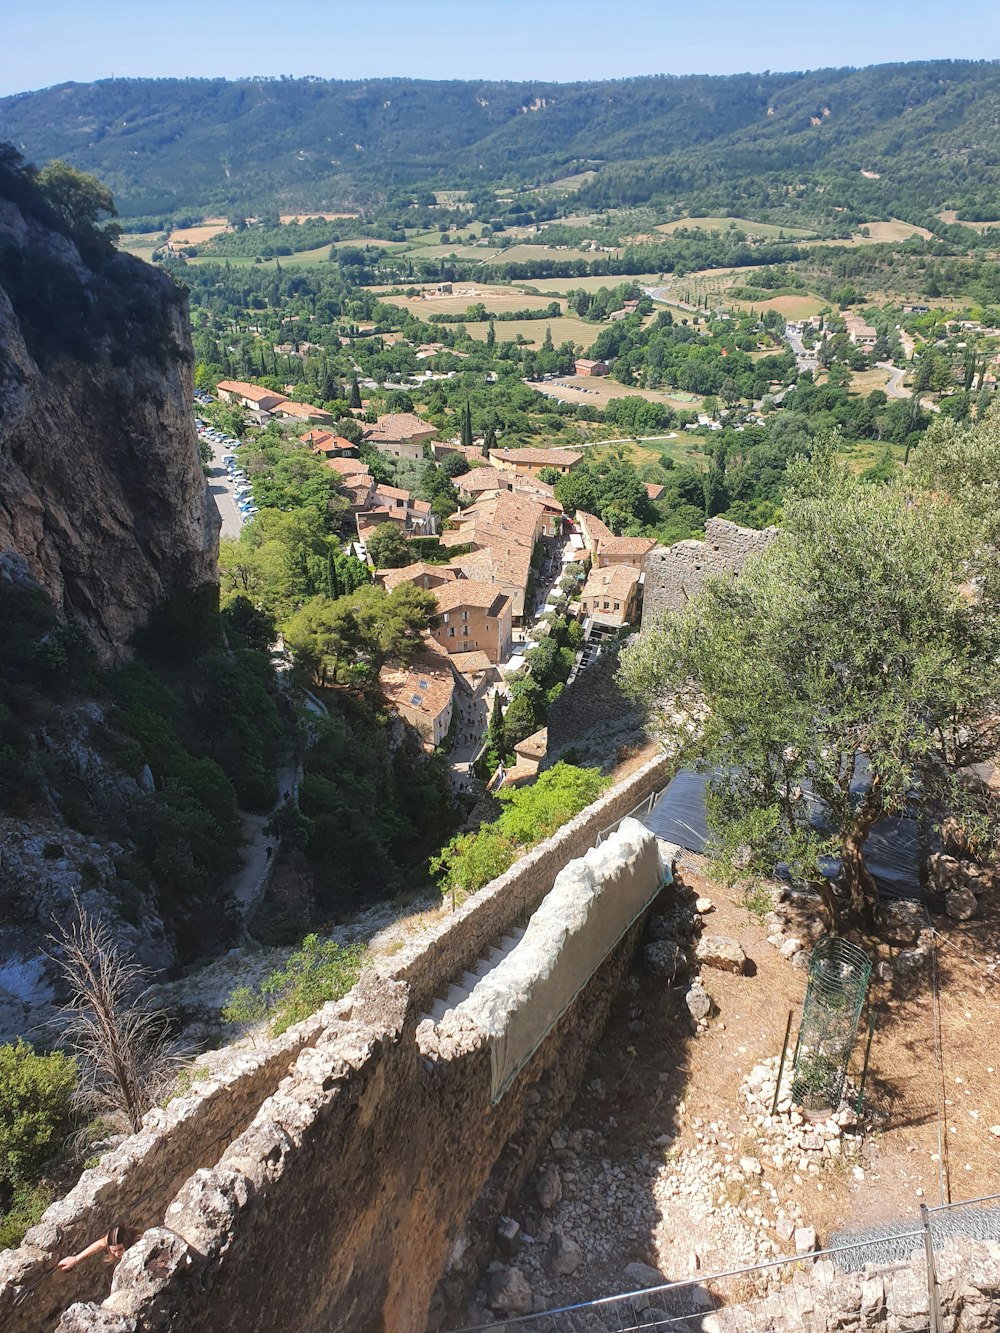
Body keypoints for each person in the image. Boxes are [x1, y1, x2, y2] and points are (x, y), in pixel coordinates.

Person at [58, 1224, 139, 1272]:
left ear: (126, 1243)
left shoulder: (138, 1242)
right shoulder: (110, 1239)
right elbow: (100, 1244)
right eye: (113, 1250)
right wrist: (75, 1259)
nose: (117, 1254)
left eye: (120, 1249)